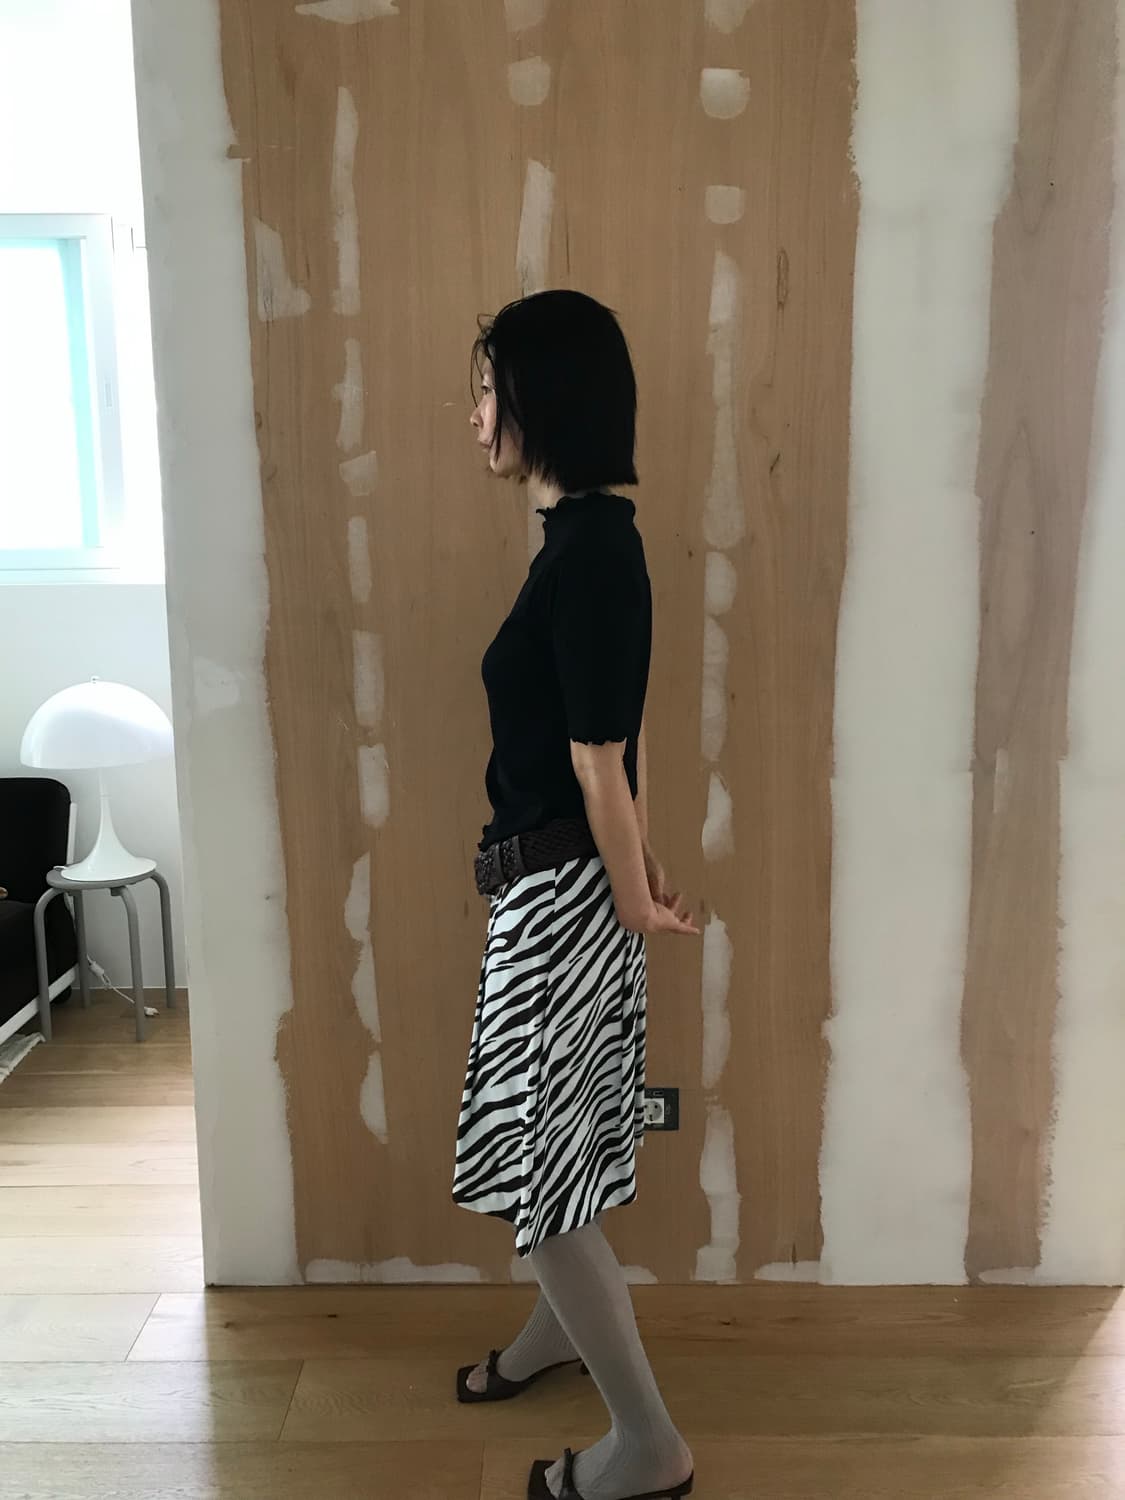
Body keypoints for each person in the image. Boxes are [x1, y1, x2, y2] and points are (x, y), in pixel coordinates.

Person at [451, 289, 698, 1500]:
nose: (475, 415)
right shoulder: (580, 542)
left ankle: (647, 1447)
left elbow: (601, 753)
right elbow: (611, 730)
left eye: (487, 390)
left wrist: (632, 896)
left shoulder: (595, 549)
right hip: (562, 889)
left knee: (543, 1183)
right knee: (561, 1158)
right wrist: (636, 868)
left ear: (541, 399)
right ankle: (557, 1333)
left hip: (559, 905)